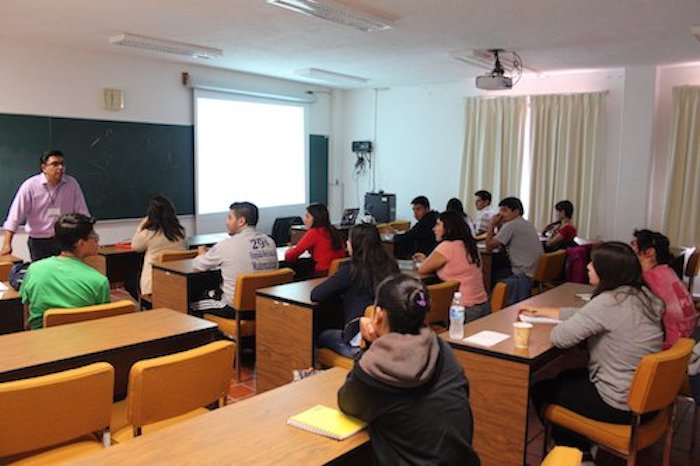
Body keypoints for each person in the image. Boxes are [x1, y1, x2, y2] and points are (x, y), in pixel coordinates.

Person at [525, 242, 664, 460]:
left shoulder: (608, 302)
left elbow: (560, 338)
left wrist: (557, 322)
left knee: (541, 389)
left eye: (593, 263)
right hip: (650, 401)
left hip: (619, 404)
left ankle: (579, 454)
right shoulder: (643, 296)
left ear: (607, 271)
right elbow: (594, 317)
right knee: (566, 377)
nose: (588, 267)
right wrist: (553, 313)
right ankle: (581, 447)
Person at [337, 274, 480, 466]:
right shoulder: (441, 348)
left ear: (378, 315)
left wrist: (368, 346)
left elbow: (347, 402)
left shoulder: (375, 369)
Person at [311, 224, 399, 357]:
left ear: (357, 244)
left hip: (359, 341)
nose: (347, 243)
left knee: (318, 334)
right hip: (386, 334)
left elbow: (316, 295)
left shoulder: (351, 270)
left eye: (349, 240)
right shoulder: (391, 266)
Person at [19, 213, 110, 330]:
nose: (97, 239)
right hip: (86, 341)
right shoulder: (99, 281)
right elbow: (104, 321)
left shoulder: (34, 269)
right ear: (81, 243)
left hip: (41, 340)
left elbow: (26, 318)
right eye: (94, 236)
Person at [2, 150, 90, 261]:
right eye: (55, 164)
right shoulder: (30, 186)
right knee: (43, 275)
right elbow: (15, 216)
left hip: (65, 240)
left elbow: (82, 213)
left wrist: (90, 238)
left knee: (65, 274)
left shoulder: (71, 184)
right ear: (44, 167)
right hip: (39, 242)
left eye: (62, 164)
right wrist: (6, 244)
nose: (60, 167)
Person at [192, 202, 278, 315]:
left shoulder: (226, 245)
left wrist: (201, 254)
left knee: (189, 303)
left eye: (230, 218)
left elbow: (197, 266)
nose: (226, 222)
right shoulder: (270, 242)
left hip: (235, 309)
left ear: (241, 221)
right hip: (264, 307)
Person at [416, 211, 489, 322]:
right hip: (483, 306)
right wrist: (428, 260)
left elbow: (422, 269)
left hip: (463, 310)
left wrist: (425, 261)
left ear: (448, 228)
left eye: (438, 224)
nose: (434, 229)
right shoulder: (469, 245)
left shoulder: (447, 247)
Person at [631, 228, 697, 349]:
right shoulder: (668, 272)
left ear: (649, 252)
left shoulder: (648, 279)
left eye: (633, 245)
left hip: (668, 347)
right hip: (687, 344)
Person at [485, 197, 543, 304]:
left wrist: (491, 225)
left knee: (488, 271)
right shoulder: (525, 223)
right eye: (500, 210)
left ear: (516, 212)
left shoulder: (511, 225)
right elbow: (501, 245)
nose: (501, 214)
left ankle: (493, 302)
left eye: (504, 210)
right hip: (535, 269)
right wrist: (498, 226)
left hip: (522, 273)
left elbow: (489, 246)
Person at [130, 195, 187, 296]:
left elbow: (135, 246)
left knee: (130, 277)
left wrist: (141, 225)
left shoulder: (148, 233)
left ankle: (145, 305)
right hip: (179, 281)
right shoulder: (181, 232)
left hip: (154, 284)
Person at [285, 203, 346, 274]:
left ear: (316, 218)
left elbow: (290, 256)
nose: (304, 220)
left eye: (307, 217)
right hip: (339, 272)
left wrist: (289, 251)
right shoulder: (334, 230)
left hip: (322, 272)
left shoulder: (314, 232)